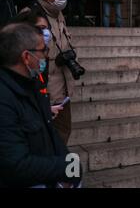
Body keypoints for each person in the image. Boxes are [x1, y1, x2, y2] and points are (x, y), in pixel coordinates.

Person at [0, 23, 81, 188]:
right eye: (43, 50)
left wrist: (70, 166)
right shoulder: (4, 99)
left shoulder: (34, 84)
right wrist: (65, 168)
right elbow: (16, 164)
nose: (47, 55)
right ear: (26, 57)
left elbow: (50, 132)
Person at [26, 0, 77, 145]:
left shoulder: (58, 14)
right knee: (45, 139)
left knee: (63, 133)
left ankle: (58, 164)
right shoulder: (31, 14)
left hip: (63, 91)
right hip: (44, 91)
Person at [12, 9, 64, 119]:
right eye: (40, 28)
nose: (46, 33)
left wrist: (45, 110)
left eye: (46, 28)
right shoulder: (13, 74)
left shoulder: (38, 68)